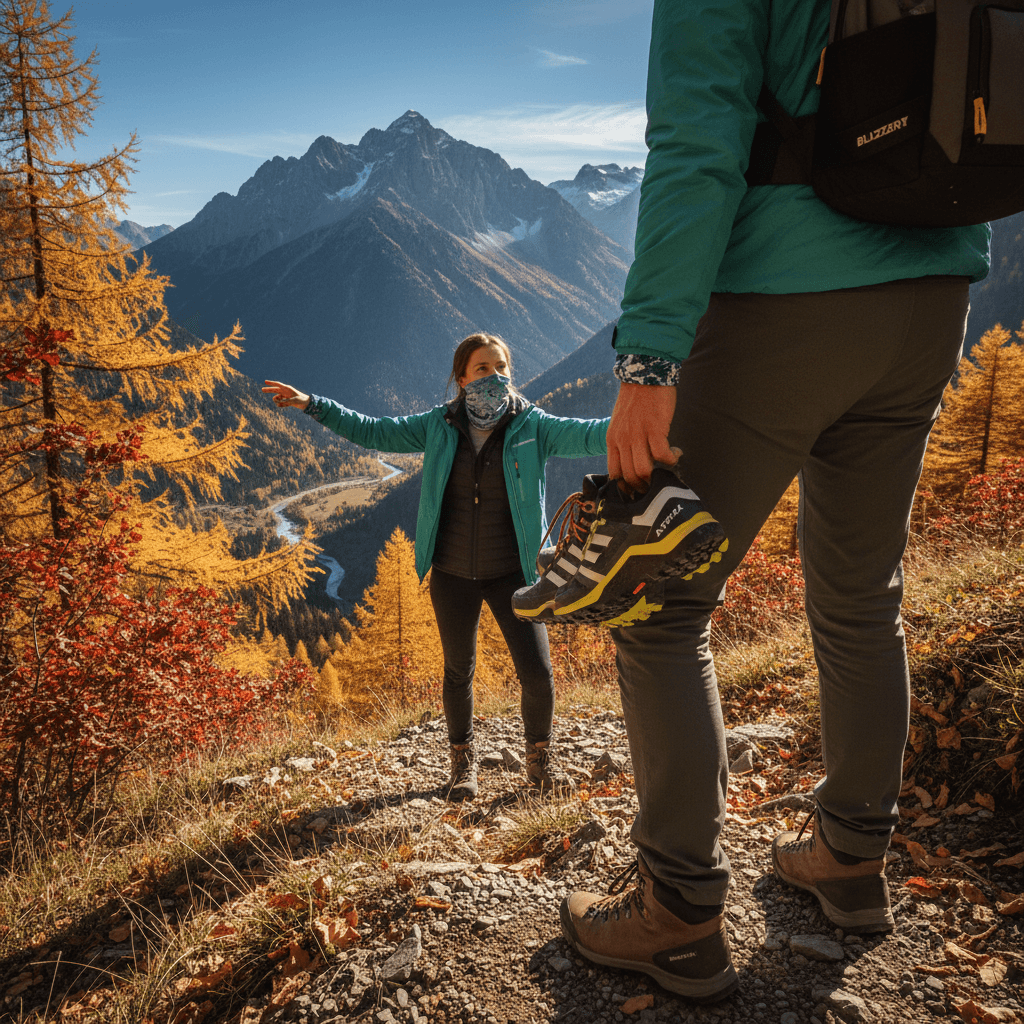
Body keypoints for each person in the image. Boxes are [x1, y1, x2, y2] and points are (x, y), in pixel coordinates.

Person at [532, 0, 991, 1003]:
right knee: (864, 592)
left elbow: (696, 142)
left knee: (658, 600)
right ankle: (849, 859)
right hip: (933, 287)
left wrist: (650, 353)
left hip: (784, 294)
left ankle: (680, 911)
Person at [263, 333, 608, 801]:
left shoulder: (533, 427)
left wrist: (649, 420)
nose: (494, 376)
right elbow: (373, 430)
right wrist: (312, 405)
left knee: (537, 673)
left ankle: (539, 766)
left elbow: (591, 434)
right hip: (451, 573)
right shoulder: (438, 425)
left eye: (501, 367)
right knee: (457, 671)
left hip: (515, 573)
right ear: (461, 378)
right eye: (482, 368)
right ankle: (462, 768)